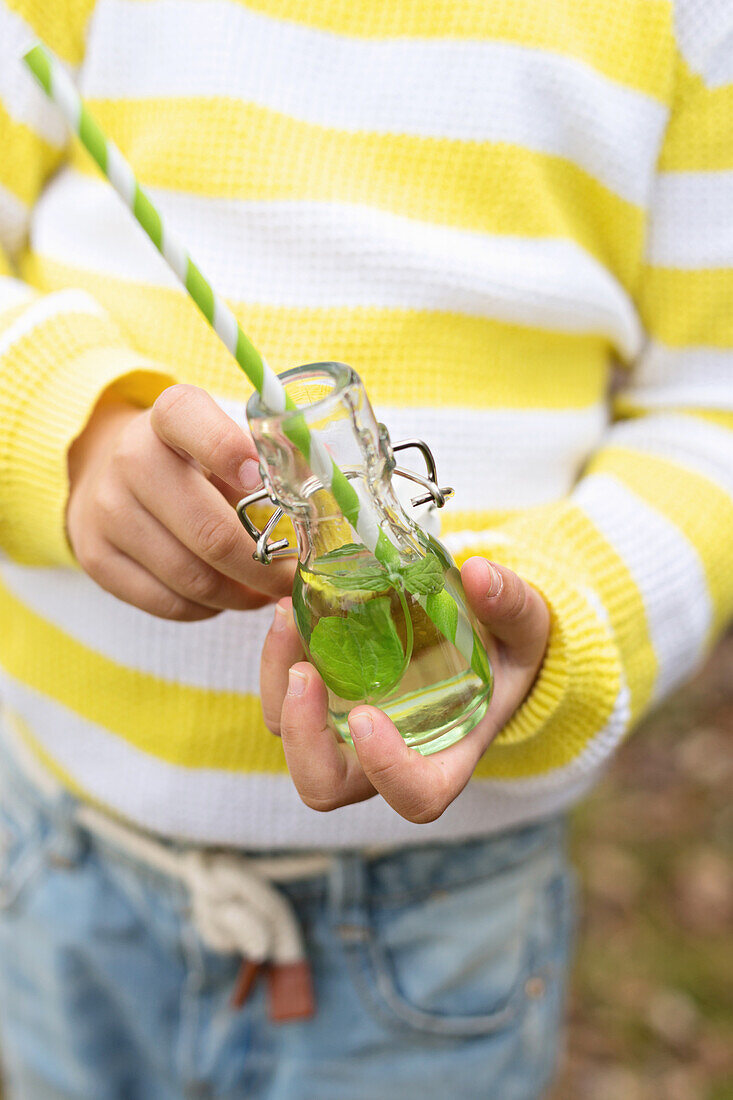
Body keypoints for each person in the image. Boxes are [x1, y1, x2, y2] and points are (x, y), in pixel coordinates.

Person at [0, 1, 731, 1097]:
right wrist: (66, 424)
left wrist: (565, 611)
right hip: (61, 859)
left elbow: (711, 410)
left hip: (440, 913)